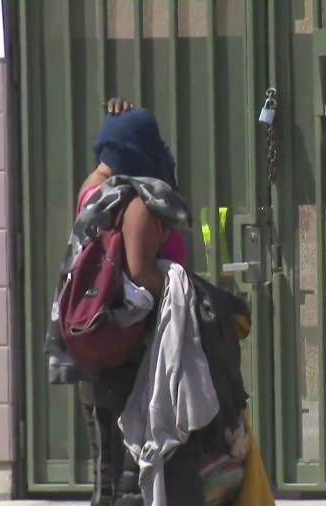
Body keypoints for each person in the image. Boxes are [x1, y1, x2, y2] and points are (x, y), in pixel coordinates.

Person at [77, 97, 188, 506]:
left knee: (106, 472)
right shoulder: (138, 203)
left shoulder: (93, 195)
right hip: (131, 354)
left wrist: (114, 127)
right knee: (129, 477)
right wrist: (182, 289)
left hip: (96, 350)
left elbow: (103, 165)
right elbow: (141, 272)